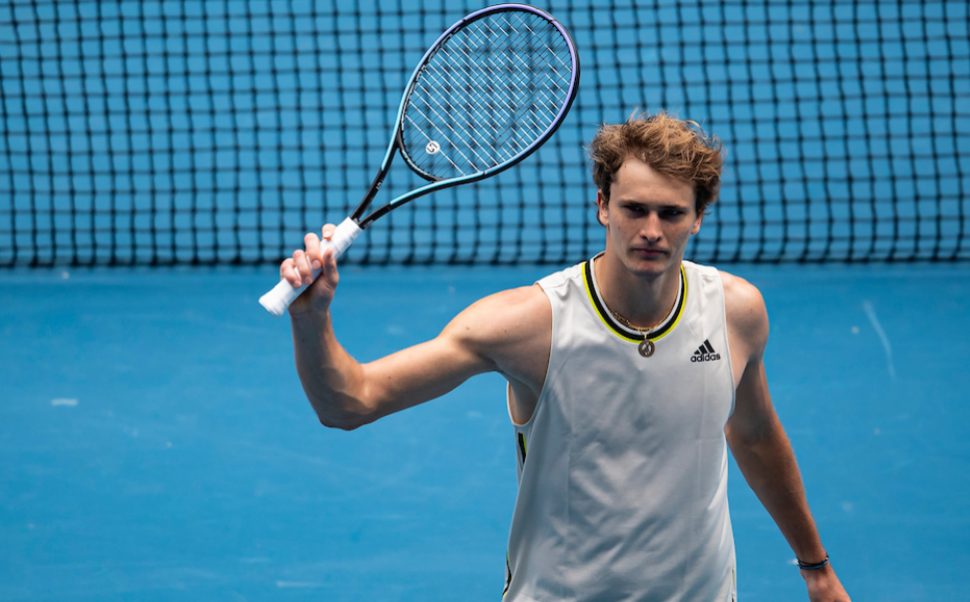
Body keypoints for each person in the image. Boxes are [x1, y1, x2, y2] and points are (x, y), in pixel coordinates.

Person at [279, 112, 851, 602]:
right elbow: (351, 402)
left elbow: (753, 434)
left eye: (672, 214)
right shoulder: (527, 325)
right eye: (634, 208)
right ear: (603, 206)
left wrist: (817, 567)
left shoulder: (736, 312)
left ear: (698, 217)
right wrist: (311, 320)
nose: (651, 230)